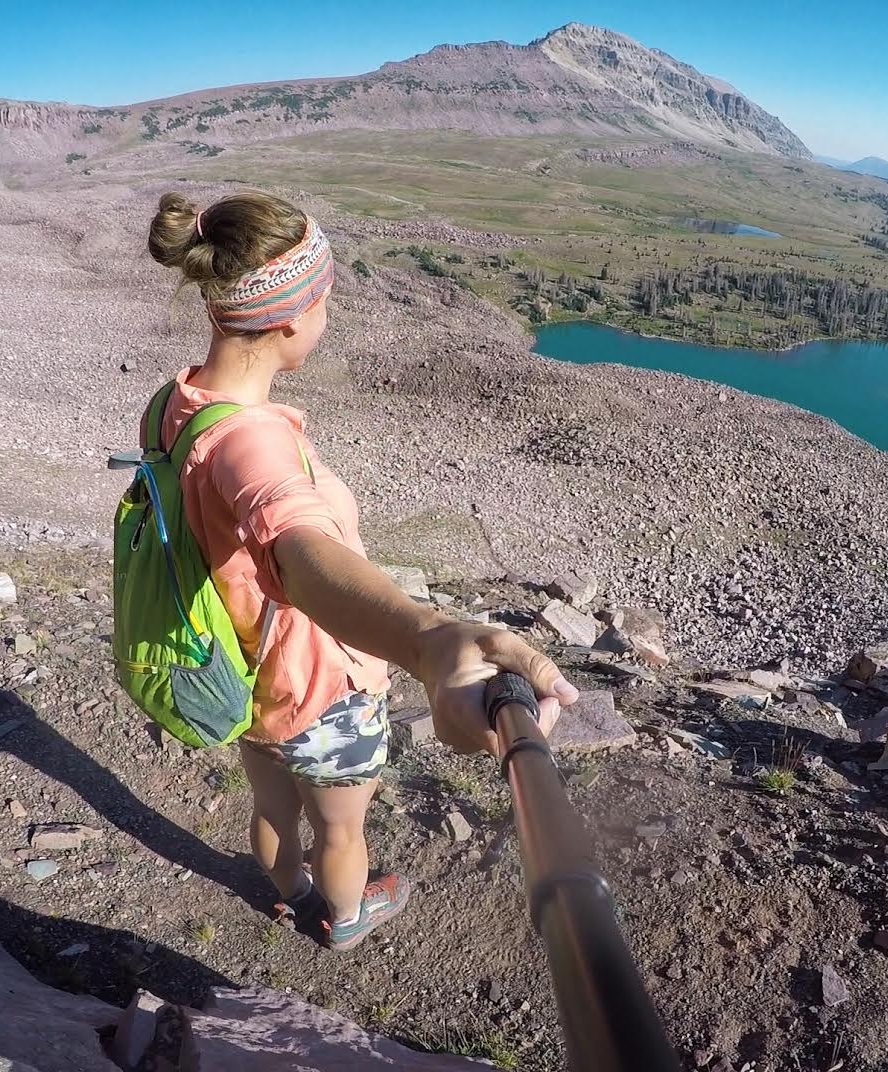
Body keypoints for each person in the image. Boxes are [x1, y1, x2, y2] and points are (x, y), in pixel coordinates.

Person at [145, 191, 577, 950]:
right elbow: (303, 558)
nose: (327, 318)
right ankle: (344, 917)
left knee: (273, 805)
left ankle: (287, 893)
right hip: (321, 686)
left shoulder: (178, 404)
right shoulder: (254, 444)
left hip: (243, 671)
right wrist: (428, 639)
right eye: (325, 302)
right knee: (340, 828)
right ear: (287, 320)